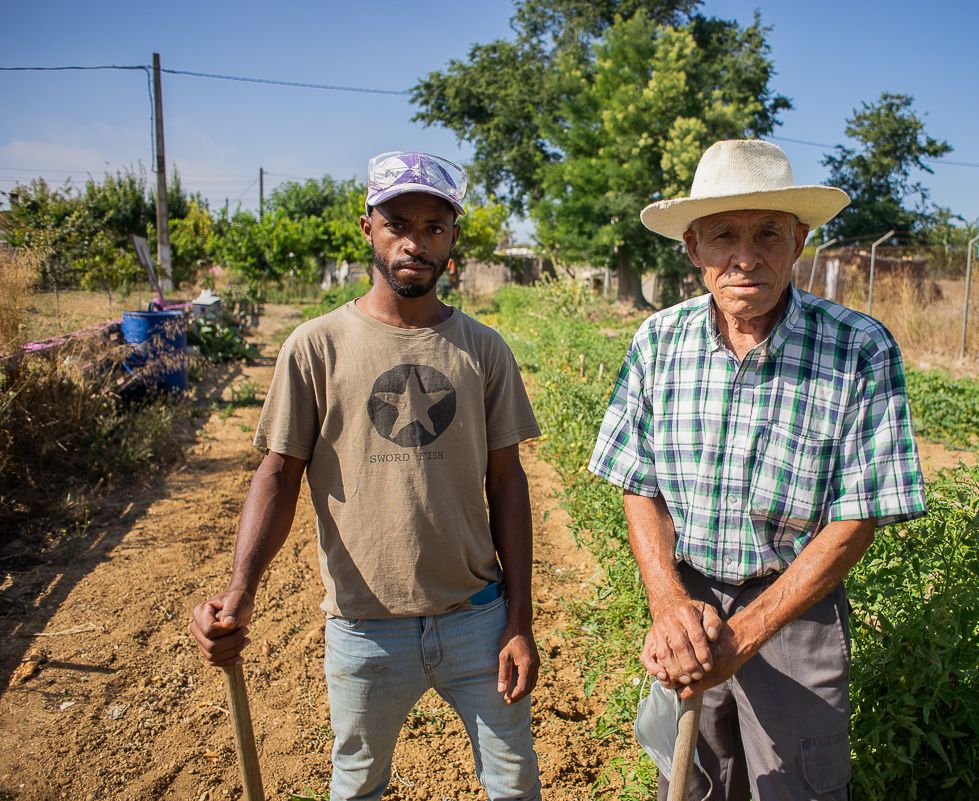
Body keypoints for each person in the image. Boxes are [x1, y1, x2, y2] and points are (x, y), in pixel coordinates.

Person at [190, 151, 543, 801]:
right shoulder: (316, 346)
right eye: (398, 223)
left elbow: (508, 482)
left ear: (453, 239)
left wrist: (518, 620)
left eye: (435, 226)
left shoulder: (484, 350)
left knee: (515, 782)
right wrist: (240, 589)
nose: (416, 240)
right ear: (368, 229)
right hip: (363, 626)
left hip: (477, 620)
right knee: (357, 786)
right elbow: (277, 474)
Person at [589, 139, 927, 801]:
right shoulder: (660, 341)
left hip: (796, 609)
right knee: (692, 782)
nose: (747, 257)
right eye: (724, 236)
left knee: (800, 786)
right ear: (692, 247)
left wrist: (748, 631)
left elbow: (861, 513)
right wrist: (667, 602)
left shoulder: (858, 346)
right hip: (689, 607)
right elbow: (639, 481)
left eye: (769, 232)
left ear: (799, 239)